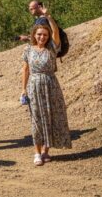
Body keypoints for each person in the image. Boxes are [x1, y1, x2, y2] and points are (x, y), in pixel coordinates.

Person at [21, 13, 72, 166]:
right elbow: (25, 70)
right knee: (36, 119)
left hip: (51, 85)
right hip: (34, 86)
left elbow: (55, 32)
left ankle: (45, 151)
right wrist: (23, 89)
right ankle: (37, 153)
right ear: (34, 35)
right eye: (39, 34)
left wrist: (49, 17)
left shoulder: (52, 48)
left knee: (51, 117)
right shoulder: (28, 49)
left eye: (45, 35)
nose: (42, 37)